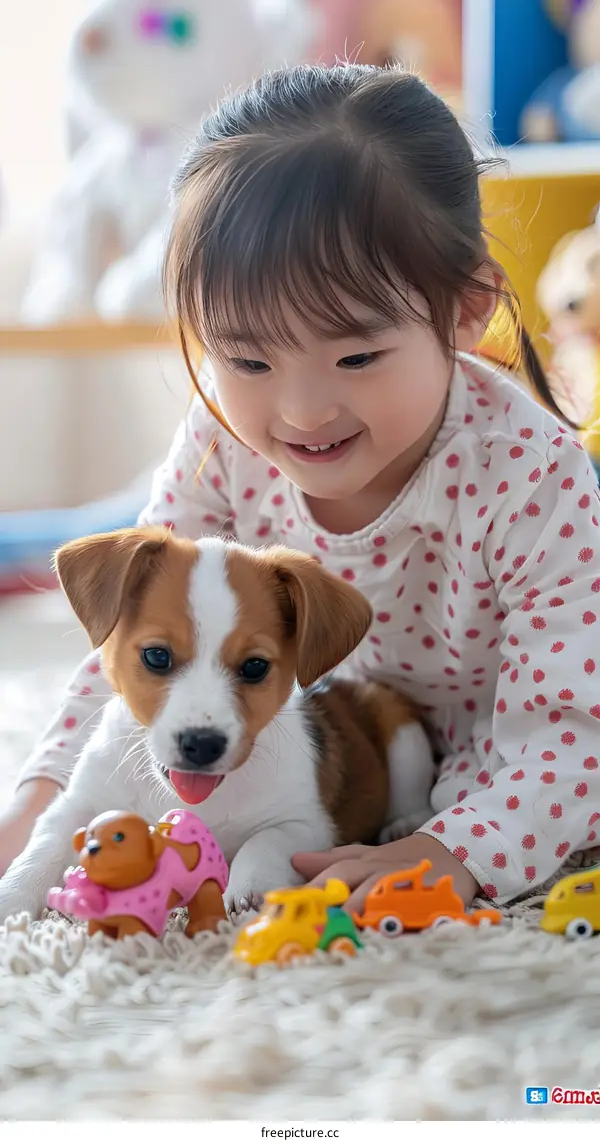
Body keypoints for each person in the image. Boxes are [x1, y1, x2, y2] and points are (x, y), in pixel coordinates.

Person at [3, 64, 599, 911]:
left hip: (483, 770)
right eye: (247, 359)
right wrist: (40, 798)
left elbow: (575, 740)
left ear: (467, 311)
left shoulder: (533, 477)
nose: (302, 410)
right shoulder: (219, 439)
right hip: (311, 747)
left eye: (356, 356)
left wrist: (452, 847)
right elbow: (137, 645)